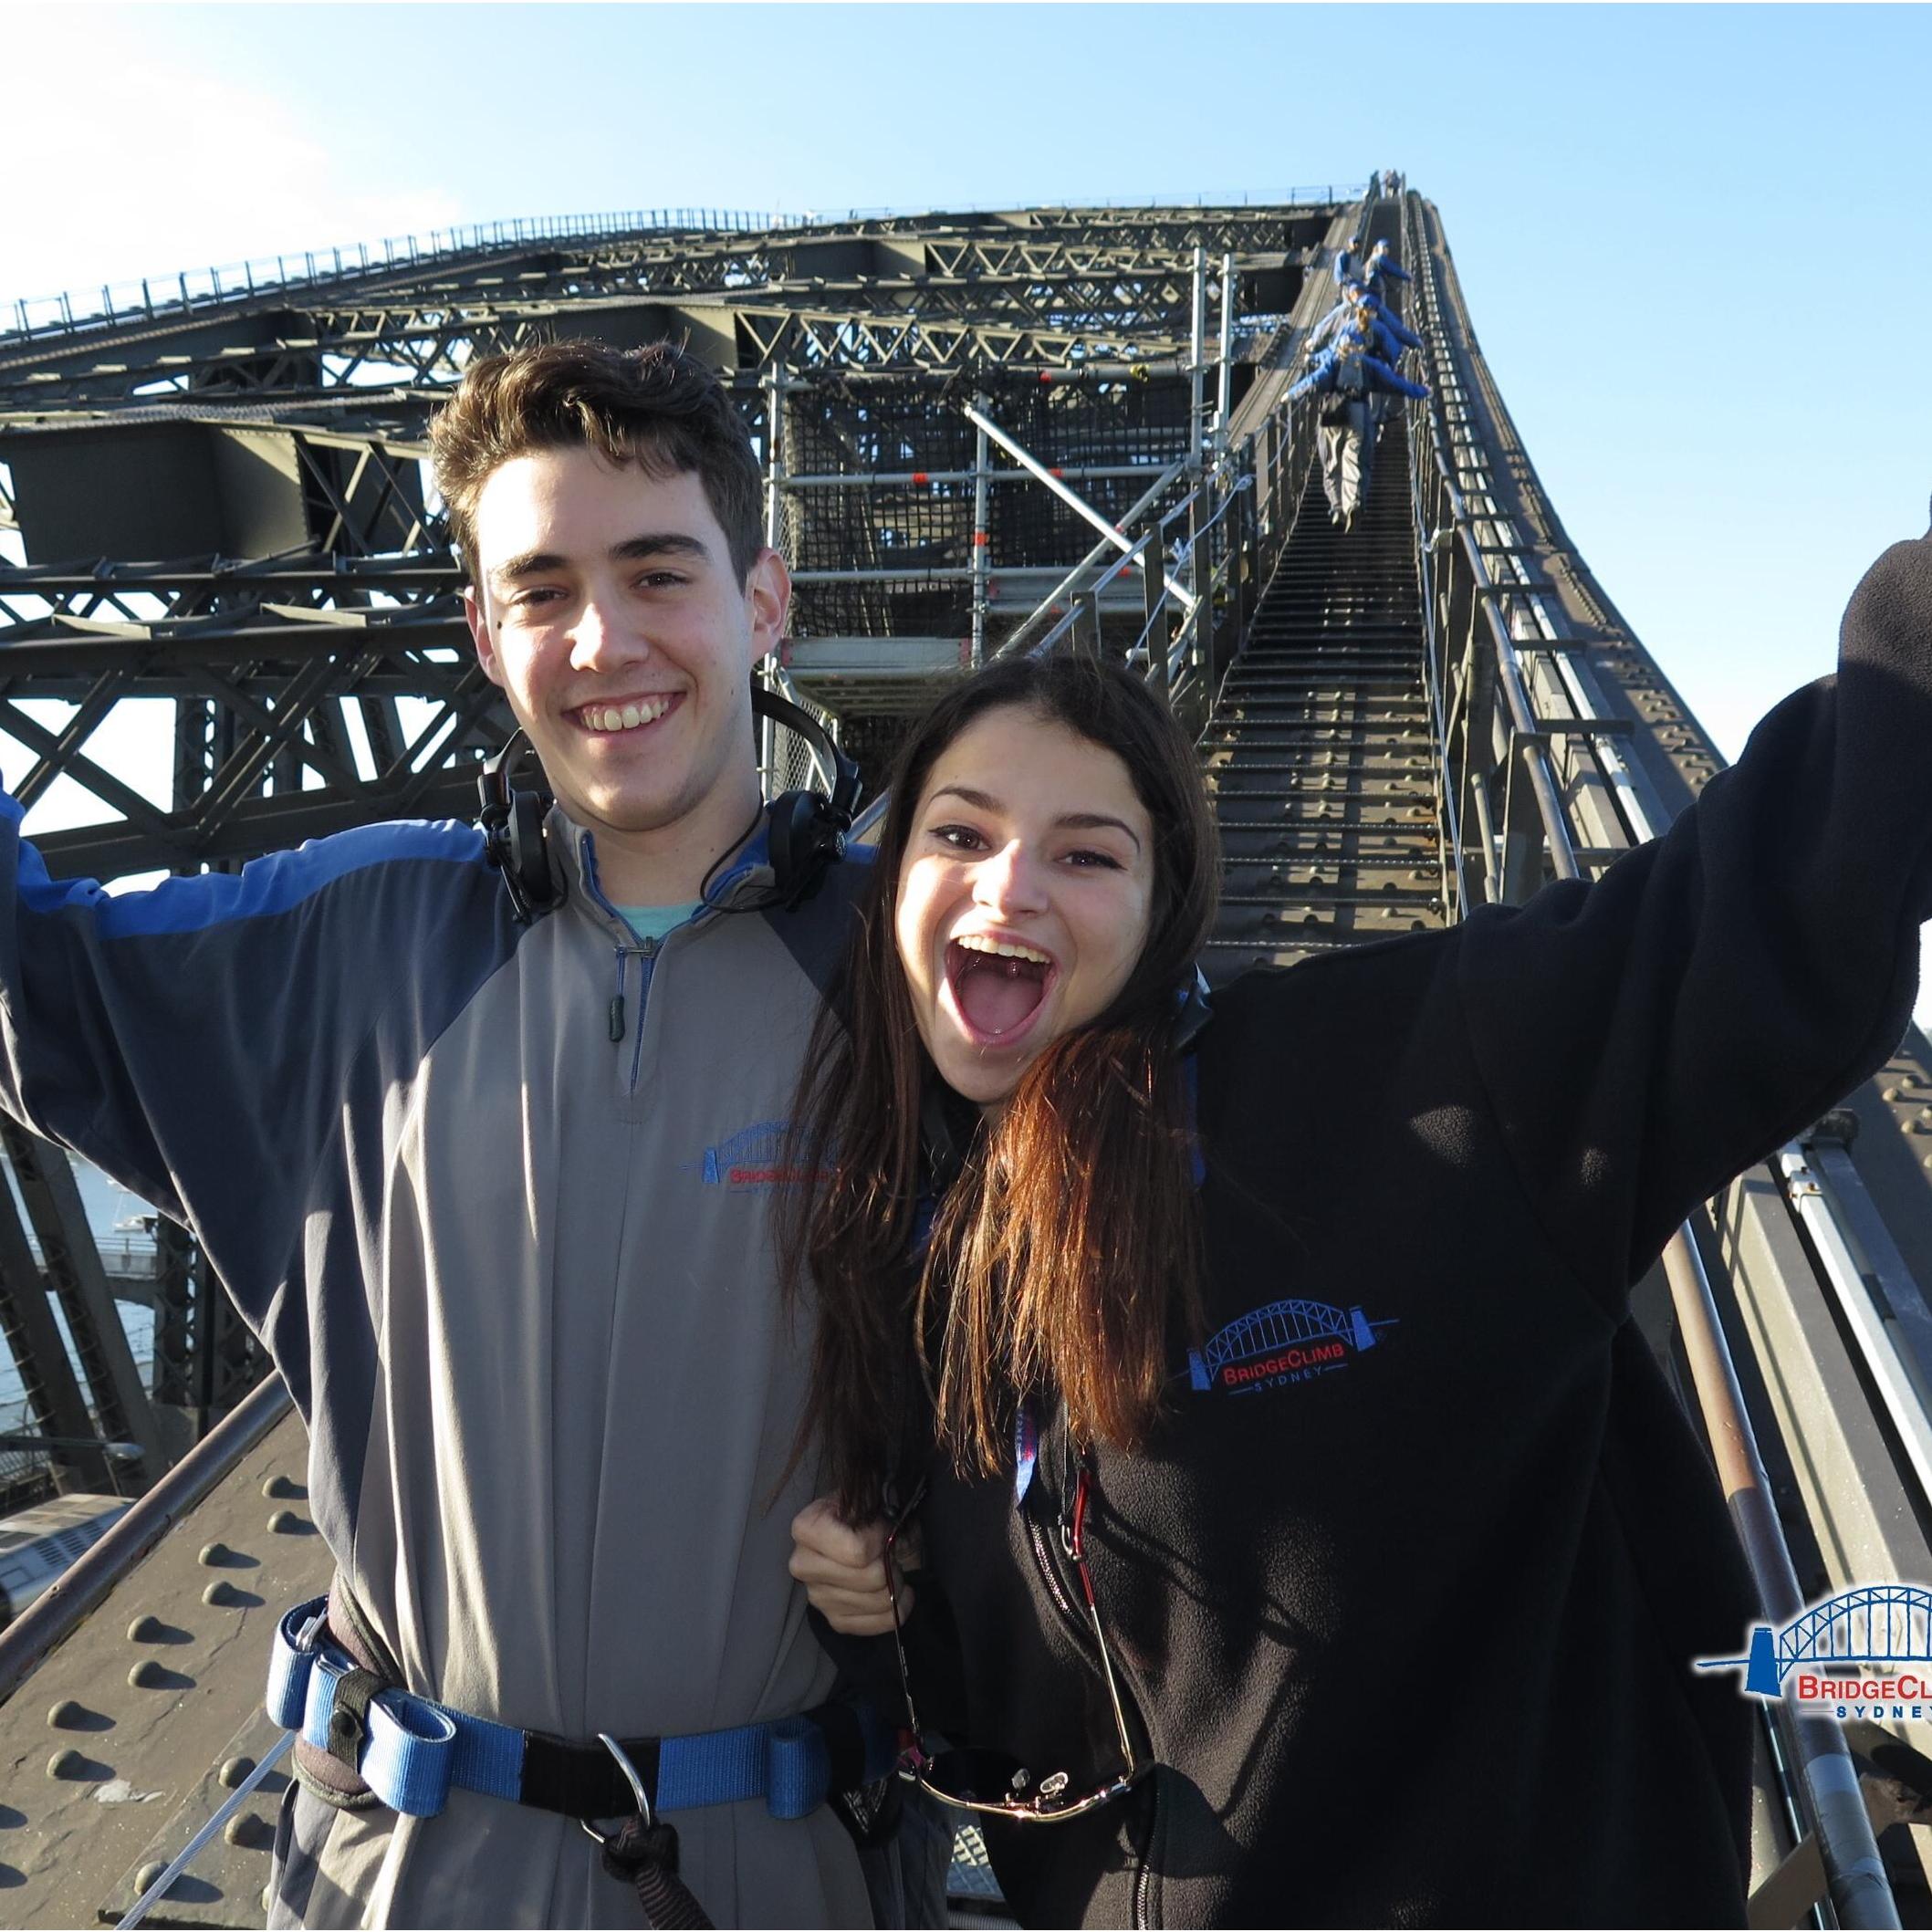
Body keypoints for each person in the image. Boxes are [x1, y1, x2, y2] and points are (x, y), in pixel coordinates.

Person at [783, 528, 1932, 1927]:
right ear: (891, 881)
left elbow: (1754, 937)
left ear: (1162, 913)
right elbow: (1027, 1703)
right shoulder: (914, 1252)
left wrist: (1909, 644)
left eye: (1086, 853)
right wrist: (887, 1601)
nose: (1008, 886)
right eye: (957, 833)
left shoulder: (1411, 1077)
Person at [0, 339, 885, 1927]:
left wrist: (956, 1539)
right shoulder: (360, 935)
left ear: (762, 602)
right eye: (540, 589)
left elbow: (1123, 1315)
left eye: (656, 571)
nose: (603, 639)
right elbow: (30, 976)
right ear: (484, 634)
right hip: (409, 1871)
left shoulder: (917, 971)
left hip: (779, 1871)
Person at [1286, 329, 1429, 529]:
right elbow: (1394, 383)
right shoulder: (1368, 364)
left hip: (1333, 412)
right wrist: (1421, 391)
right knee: (1353, 458)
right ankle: (1353, 502)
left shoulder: (1333, 361)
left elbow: (1314, 380)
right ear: (1361, 346)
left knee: (1332, 462)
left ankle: (1337, 508)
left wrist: (1291, 394)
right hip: (1358, 411)